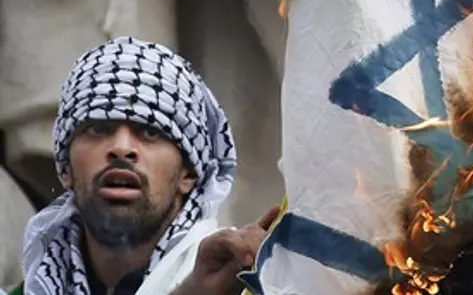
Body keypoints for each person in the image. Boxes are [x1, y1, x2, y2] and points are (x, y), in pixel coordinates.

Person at [13, 36, 278, 295]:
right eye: (98, 128)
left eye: (150, 132)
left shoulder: (244, 284)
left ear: (189, 174)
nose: (121, 148)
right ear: (66, 168)